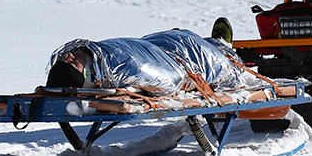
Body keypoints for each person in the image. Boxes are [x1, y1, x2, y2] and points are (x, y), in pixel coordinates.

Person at [44, 25, 250, 93]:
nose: (69, 55)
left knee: (179, 38)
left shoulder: (99, 55)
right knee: (220, 61)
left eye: (66, 57)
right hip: (184, 54)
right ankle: (223, 47)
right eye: (71, 62)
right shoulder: (126, 69)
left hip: (156, 43)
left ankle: (214, 42)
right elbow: (172, 79)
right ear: (86, 73)